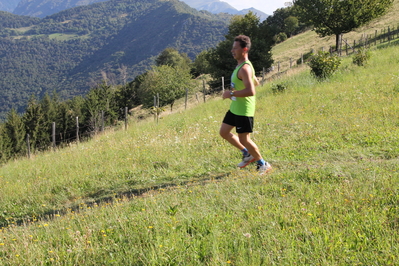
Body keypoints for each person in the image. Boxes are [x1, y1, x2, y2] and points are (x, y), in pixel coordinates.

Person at [220, 35, 272, 175]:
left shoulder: (245, 68)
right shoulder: (242, 66)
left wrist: (230, 94)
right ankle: (247, 154)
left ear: (244, 49)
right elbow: (255, 81)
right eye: (232, 48)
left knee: (244, 138)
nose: (232, 50)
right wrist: (236, 90)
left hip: (244, 110)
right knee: (224, 132)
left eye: (235, 48)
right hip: (235, 108)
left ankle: (263, 163)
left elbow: (251, 90)